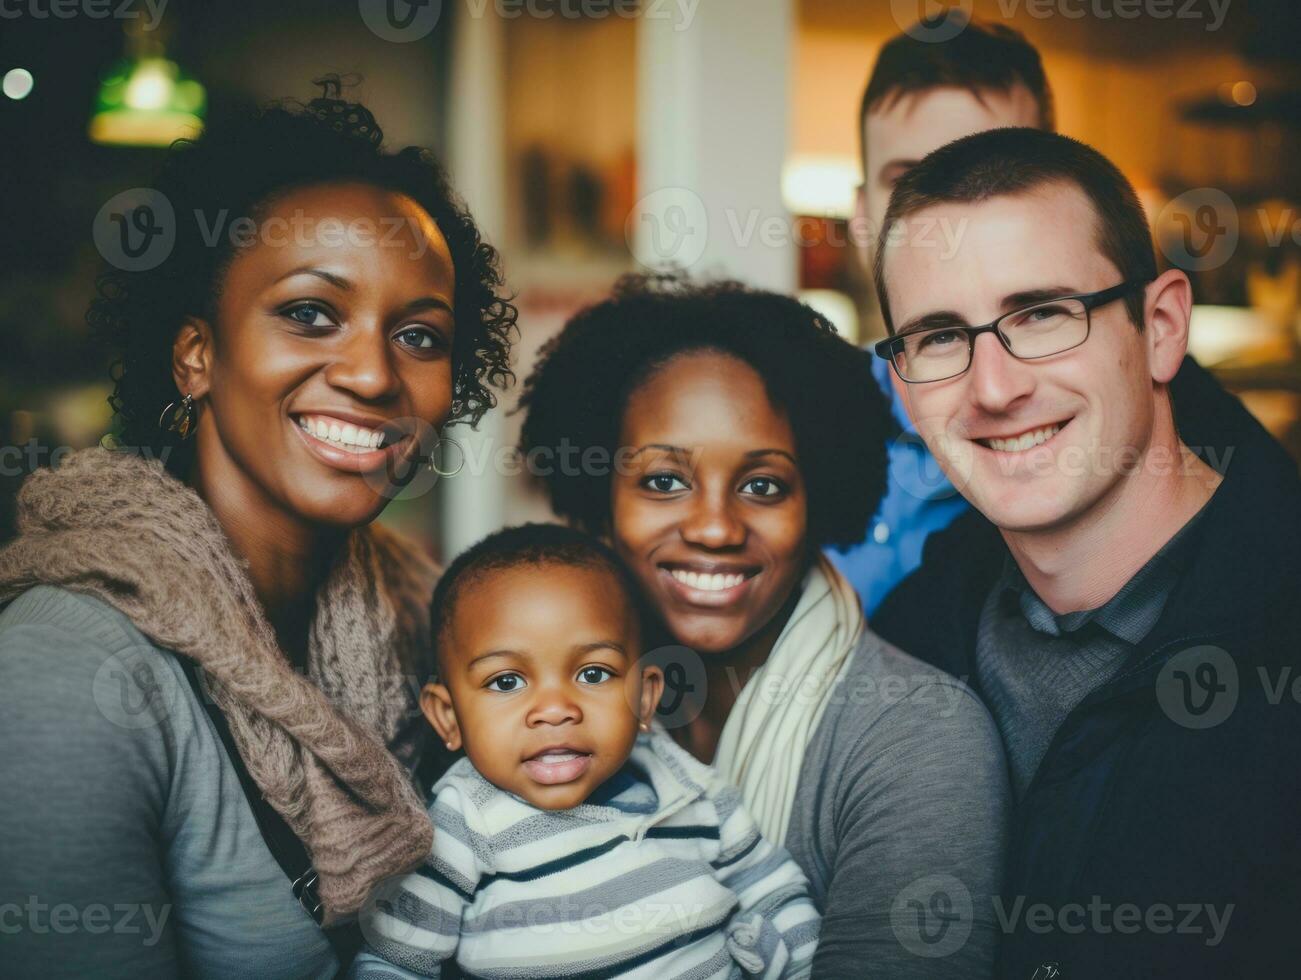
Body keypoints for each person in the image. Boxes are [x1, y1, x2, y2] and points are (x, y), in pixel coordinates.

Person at [0, 79, 516, 979]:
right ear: (196, 354)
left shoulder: (430, 614)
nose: (372, 374)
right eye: (310, 313)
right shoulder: (67, 672)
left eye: (420, 336)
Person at [870, 126, 1301, 976]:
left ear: (1162, 326)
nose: (994, 389)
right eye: (940, 336)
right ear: (901, 385)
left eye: (1041, 315)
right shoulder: (906, 642)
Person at [518, 274, 1010, 977]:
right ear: (601, 497)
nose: (714, 527)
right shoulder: (535, 699)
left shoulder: (918, 739)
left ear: (821, 500)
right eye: (662, 481)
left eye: (762, 485)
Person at [351, 523, 820, 980]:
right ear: (449, 718)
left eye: (593, 674)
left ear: (644, 697)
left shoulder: (691, 789)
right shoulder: (462, 827)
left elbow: (777, 894)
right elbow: (395, 960)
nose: (554, 710)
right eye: (507, 681)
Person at [830, 11, 1053, 614]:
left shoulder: (1116, 426)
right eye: (906, 183)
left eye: (990, 175)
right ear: (861, 218)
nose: (944, 219)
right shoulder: (792, 422)